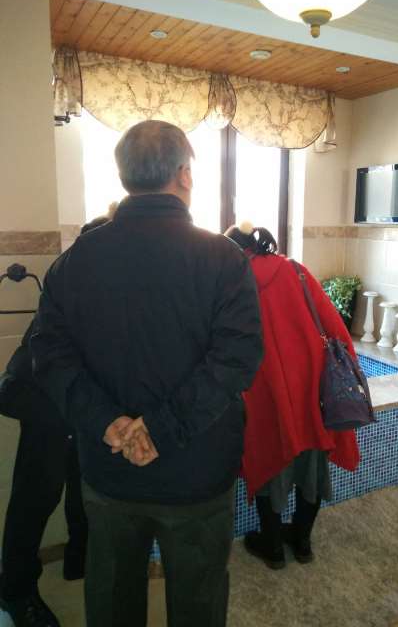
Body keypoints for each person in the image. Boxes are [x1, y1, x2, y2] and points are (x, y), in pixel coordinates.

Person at [31, 120, 263, 627]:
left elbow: (47, 353)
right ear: (185, 175)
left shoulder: (76, 260)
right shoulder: (223, 258)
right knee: (198, 605)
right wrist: (160, 429)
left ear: (124, 177)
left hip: (110, 468)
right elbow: (237, 358)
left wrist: (106, 422)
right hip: (197, 473)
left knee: (112, 602)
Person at [225, 223, 360, 570]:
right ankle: (302, 542)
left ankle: (272, 547)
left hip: (261, 392)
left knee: (267, 460)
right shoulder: (295, 271)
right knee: (312, 466)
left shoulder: (231, 282)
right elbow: (335, 327)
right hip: (312, 389)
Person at [0, 216, 111, 627]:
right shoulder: (78, 284)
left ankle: (78, 558)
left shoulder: (88, 278)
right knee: (35, 498)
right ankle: (16, 593)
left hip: (67, 404)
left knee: (82, 483)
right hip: (43, 402)